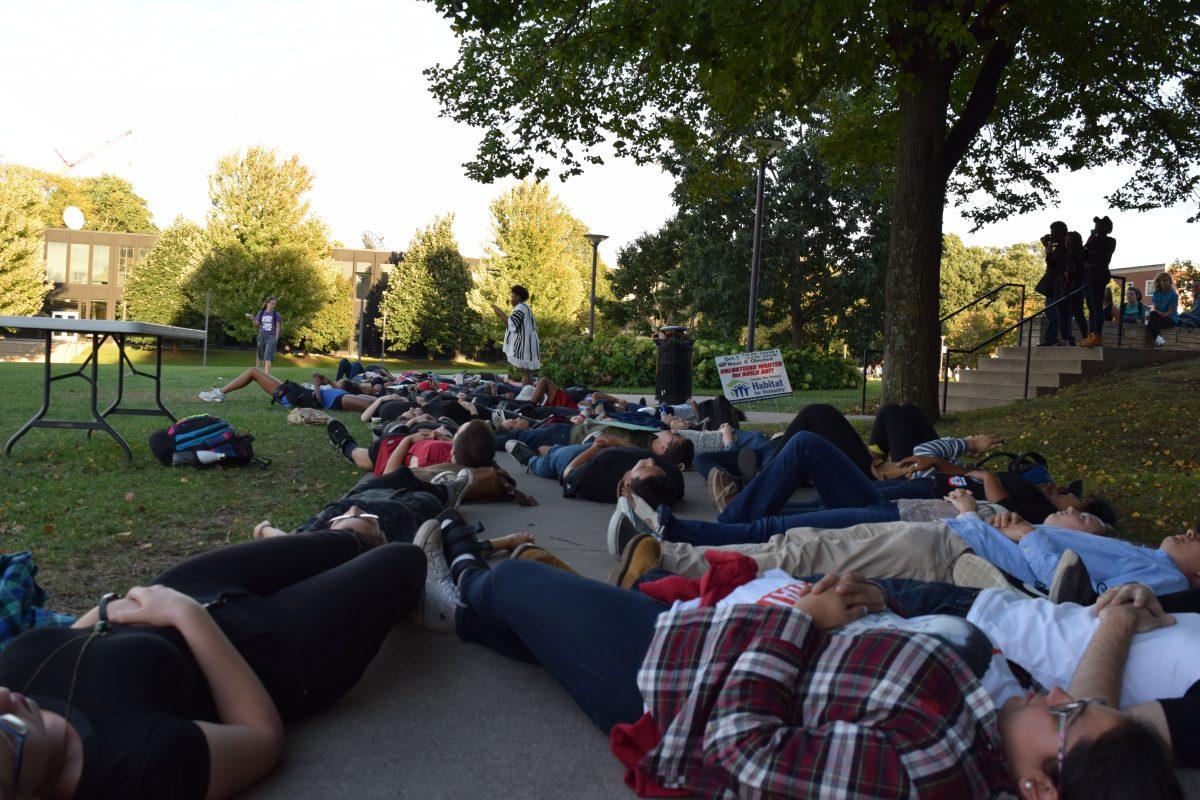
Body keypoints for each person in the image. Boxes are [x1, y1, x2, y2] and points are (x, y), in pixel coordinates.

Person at [416, 515, 1180, 799]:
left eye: (1070, 715)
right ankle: (466, 616)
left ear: (1039, 789)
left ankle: (459, 572)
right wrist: (875, 608)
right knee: (545, 626)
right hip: (718, 626)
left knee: (514, 582)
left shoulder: (932, 766)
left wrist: (804, 622)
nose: (1059, 695)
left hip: (672, 676)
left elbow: (742, 752)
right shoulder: (996, 714)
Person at [0, 521, 425, 799]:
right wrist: (186, 616)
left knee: (346, 539)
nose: (6, 700)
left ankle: (348, 531)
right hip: (275, 648)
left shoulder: (12, 690)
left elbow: (68, 645)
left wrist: (106, 610)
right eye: (7, 732)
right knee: (402, 558)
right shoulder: (134, 767)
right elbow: (261, 740)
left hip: (185, 588)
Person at [328, 418, 495, 475]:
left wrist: (407, 440)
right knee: (399, 430)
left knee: (363, 457)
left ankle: (344, 444)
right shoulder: (465, 456)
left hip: (392, 449)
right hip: (412, 441)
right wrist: (440, 436)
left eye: (457, 433)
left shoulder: (427, 462)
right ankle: (397, 428)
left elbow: (389, 476)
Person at [198, 369, 377, 412]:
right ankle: (220, 392)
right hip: (298, 390)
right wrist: (326, 380)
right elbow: (337, 388)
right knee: (255, 372)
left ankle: (219, 393)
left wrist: (316, 384)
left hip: (294, 397)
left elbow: (319, 405)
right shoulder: (340, 391)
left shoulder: (344, 398)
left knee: (253, 371)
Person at [490, 285, 540, 386]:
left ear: (518, 297)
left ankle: (526, 395)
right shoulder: (524, 307)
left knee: (525, 372)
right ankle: (528, 392)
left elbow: (511, 324)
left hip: (525, 343)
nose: (511, 299)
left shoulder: (521, 308)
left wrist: (500, 313)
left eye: (512, 297)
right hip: (527, 342)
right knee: (526, 372)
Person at [1080, 216, 1117, 347]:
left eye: (1100, 226)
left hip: (1098, 275)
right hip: (1087, 275)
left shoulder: (1110, 241)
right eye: (1096, 226)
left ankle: (1098, 334)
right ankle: (1091, 334)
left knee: (1096, 306)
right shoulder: (1092, 241)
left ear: (1107, 228)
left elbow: (1101, 255)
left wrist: (1092, 243)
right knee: (1090, 307)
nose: (1097, 229)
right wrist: (1089, 242)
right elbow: (1083, 255)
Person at [1038, 220, 1070, 346]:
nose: (1051, 235)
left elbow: (1053, 266)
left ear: (1061, 233)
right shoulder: (1059, 248)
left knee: (1055, 313)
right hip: (1053, 285)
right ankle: (1051, 338)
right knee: (1051, 312)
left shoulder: (1065, 249)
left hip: (1060, 285)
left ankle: (1054, 338)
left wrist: (1048, 248)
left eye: (1054, 232)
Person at [1063, 231, 1090, 345]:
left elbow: (1080, 269)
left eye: (1069, 240)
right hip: (1068, 287)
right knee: (1064, 313)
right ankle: (1066, 338)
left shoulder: (1081, 253)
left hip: (1077, 287)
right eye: (1066, 241)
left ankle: (1085, 336)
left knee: (1078, 312)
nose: (1066, 243)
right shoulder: (1069, 254)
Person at [245, 297, 281, 375]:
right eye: (272, 304)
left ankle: (266, 377)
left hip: (271, 337)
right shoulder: (261, 313)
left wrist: (276, 339)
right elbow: (256, 325)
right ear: (267, 303)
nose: (273, 305)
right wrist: (252, 318)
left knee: (267, 358)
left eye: (274, 304)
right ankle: (265, 375)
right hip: (261, 336)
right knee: (263, 359)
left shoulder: (276, 314)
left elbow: (278, 327)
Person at [1148, 271, 1180, 347]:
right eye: (1163, 280)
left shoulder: (1173, 294)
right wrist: (1157, 314)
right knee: (1151, 318)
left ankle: (1158, 338)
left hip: (1171, 319)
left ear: (1170, 282)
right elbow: (1155, 307)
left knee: (1151, 321)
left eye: (1167, 280)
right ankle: (1158, 338)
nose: (1166, 282)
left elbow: (1170, 311)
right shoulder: (1156, 293)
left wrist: (1159, 314)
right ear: (1159, 282)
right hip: (1159, 317)